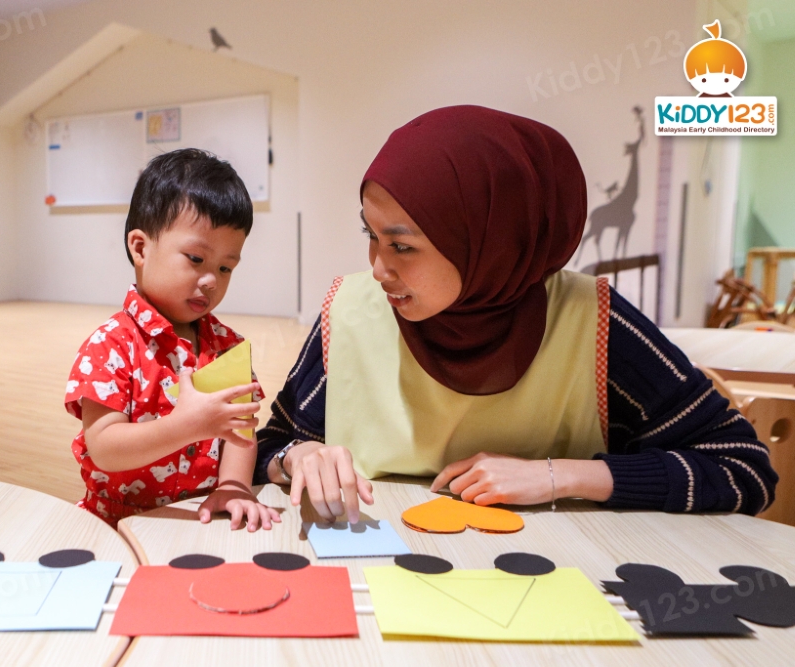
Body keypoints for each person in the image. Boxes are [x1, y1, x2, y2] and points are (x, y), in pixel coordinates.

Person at [256, 106, 776, 523]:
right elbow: (267, 447)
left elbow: (743, 469)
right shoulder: (348, 311)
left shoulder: (592, 321)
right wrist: (293, 458)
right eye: (370, 235)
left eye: (403, 247)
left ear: (493, 242)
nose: (377, 269)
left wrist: (559, 476)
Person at [66, 148, 280, 531]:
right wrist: (187, 425)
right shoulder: (110, 346)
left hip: (198, 520)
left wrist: (233, 487)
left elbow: (240, 430)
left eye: (225, 267)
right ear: (140, 248)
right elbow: (105, 448)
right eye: (196, 259)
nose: (211, 280)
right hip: (116, 524)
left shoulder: (228, 348)